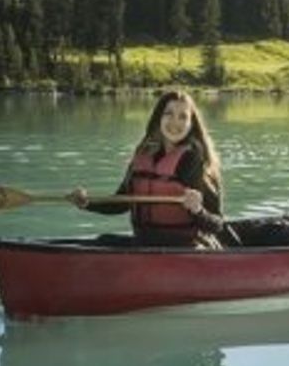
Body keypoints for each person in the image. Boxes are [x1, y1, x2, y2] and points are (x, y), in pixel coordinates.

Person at [72, 89, 227, 249]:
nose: (175, 122)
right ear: (158, 118)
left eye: (183, 117)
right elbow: (121, 202)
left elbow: (217, 225)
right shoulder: (143, 155)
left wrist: (198, 210)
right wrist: (87, 202)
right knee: (104, 240)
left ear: (191, 124)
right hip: (144, 245)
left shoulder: (194, 161)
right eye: (169, 114)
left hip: (187, 249)